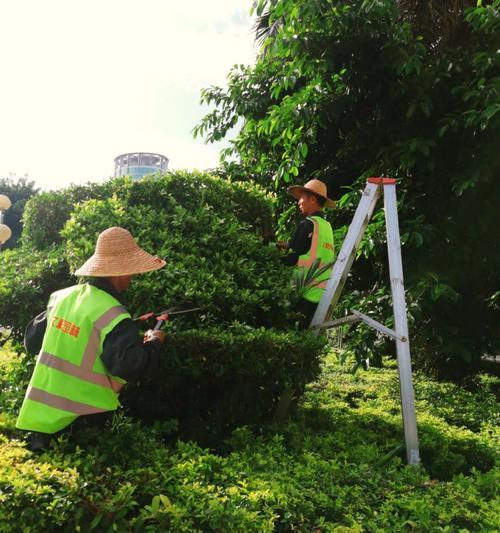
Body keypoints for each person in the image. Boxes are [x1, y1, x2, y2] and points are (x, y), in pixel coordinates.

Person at [16, 226, 167, 450]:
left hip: (38, 421)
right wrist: (154, 341)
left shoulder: (62, 297)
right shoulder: (115, 314)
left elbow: (32, 342)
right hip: (83, 424)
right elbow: (132, 367)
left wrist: (129, 326)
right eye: (132, 272)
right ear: (120, 272)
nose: (132, 278)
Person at [278, 179, 335, 328]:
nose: (299, 202)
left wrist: (271, 252)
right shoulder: (327, 227)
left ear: (312, 199)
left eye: (302, 198)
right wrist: (289, 245)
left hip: (302, 293)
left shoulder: (306, 224)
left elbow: (289, 259)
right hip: (320, 296)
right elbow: (313, 251)